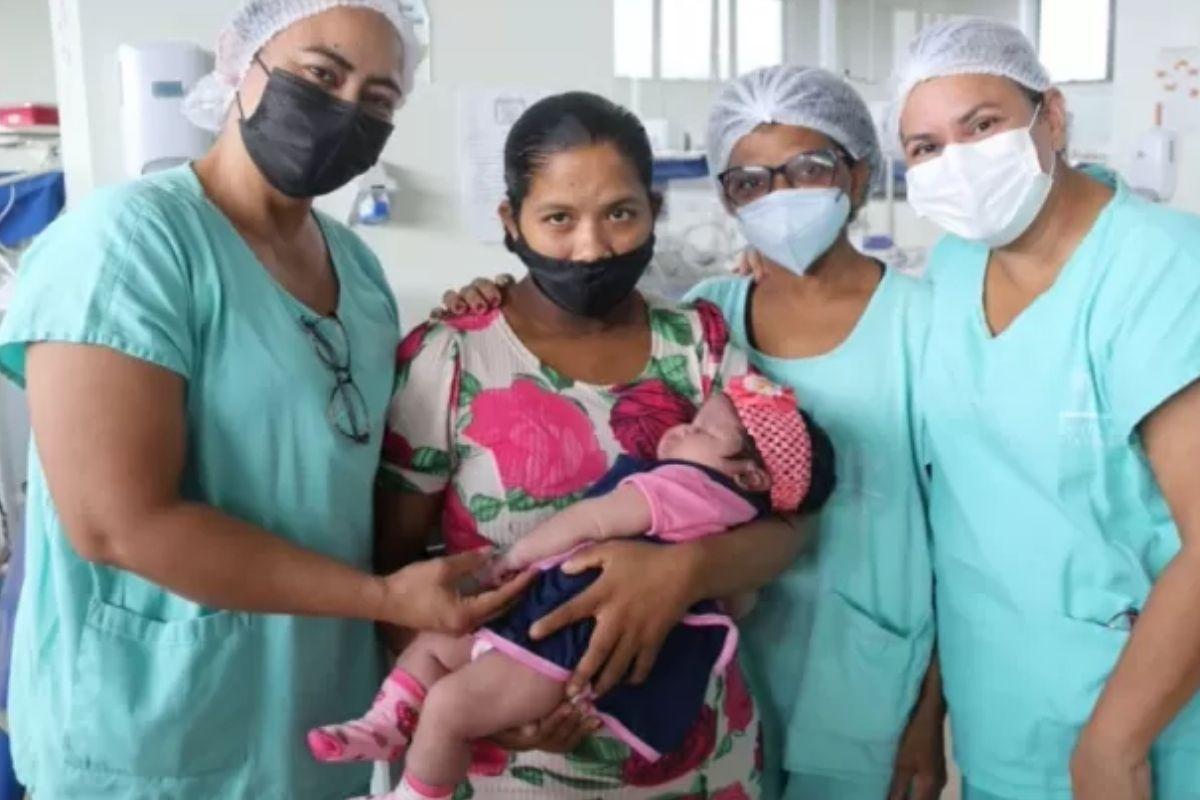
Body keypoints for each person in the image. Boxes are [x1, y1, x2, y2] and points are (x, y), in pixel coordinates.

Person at [0, 2, 529, 798]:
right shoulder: (127, 245)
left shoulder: (357, 270)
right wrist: (381, 598)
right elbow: (116, 522)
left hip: (314, 716)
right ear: (238, 63)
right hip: (153, 726)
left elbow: (358, 478)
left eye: (379, 97)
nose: (347, 107)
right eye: (322, 73)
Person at [442, 67, 947, 800]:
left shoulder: (925, 325)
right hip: (711, 670)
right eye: (750, 180)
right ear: (725, 196)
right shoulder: (712, 315)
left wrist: (931, 712)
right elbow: (577, 312)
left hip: (867, 675)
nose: (782, 197)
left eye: (809, 169)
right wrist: (496, 291)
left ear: (859, 171)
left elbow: (961, 539)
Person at [376, 90, 806, 799]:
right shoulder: (449, 358)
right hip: (513, 764)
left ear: (654, 212)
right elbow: (392, 574)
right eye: (557, 219)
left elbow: (789, 519)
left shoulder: (699, 344)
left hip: (700, 760)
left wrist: (682, 571)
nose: (593, 246)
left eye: (620, 213)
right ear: (510, 222)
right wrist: (470, 698)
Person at [893, 18, 1200, 800]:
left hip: (1146, 731)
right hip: (1000, 721)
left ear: (1052, 116)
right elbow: (957, 514)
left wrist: (1113, 748)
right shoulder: (954, 268)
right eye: (926, 147)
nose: (956, 161)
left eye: (983, 125)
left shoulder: (1160, 266)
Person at [313, 376, 837, 800]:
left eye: (700, 432)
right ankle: (384, 727)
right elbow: (740, 601)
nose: (677, 432)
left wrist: (513, 559)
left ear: (749, 477)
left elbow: (592, 519)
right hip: (550, 637)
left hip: (560, 643)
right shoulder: (735, 520)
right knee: (436, 655)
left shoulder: (685, 489)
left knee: (449, 705)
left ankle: (414, 792)